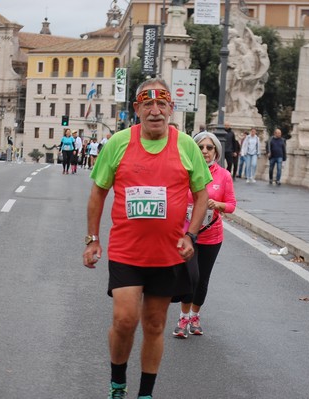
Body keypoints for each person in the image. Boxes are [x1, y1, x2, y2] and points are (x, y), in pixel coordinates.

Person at [82, 78, 211, 399]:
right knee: (125, 320)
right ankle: (117, 384)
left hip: (168, 255)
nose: (155, 111)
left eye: (161, 104)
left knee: (154, 324)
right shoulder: (119, 143)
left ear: (171, 108)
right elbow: (98, 193)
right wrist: (93, 239)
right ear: (137, 108)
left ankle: (146, 394)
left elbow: (202, 195)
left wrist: (191, 236)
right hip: (127, 252)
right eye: (147, 104)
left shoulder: (186, 146)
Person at [172, 131, 236, 338]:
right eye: (200, 147)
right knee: (191, 276)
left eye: (209, 148)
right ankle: (183, 318)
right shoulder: (185, 171)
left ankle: (195, 316)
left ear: (216, 151)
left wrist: (217, 204)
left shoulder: (223, 175)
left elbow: (232, 206)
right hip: (188, 233)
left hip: (212, 235)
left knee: (203, 279)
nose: (205, 151)